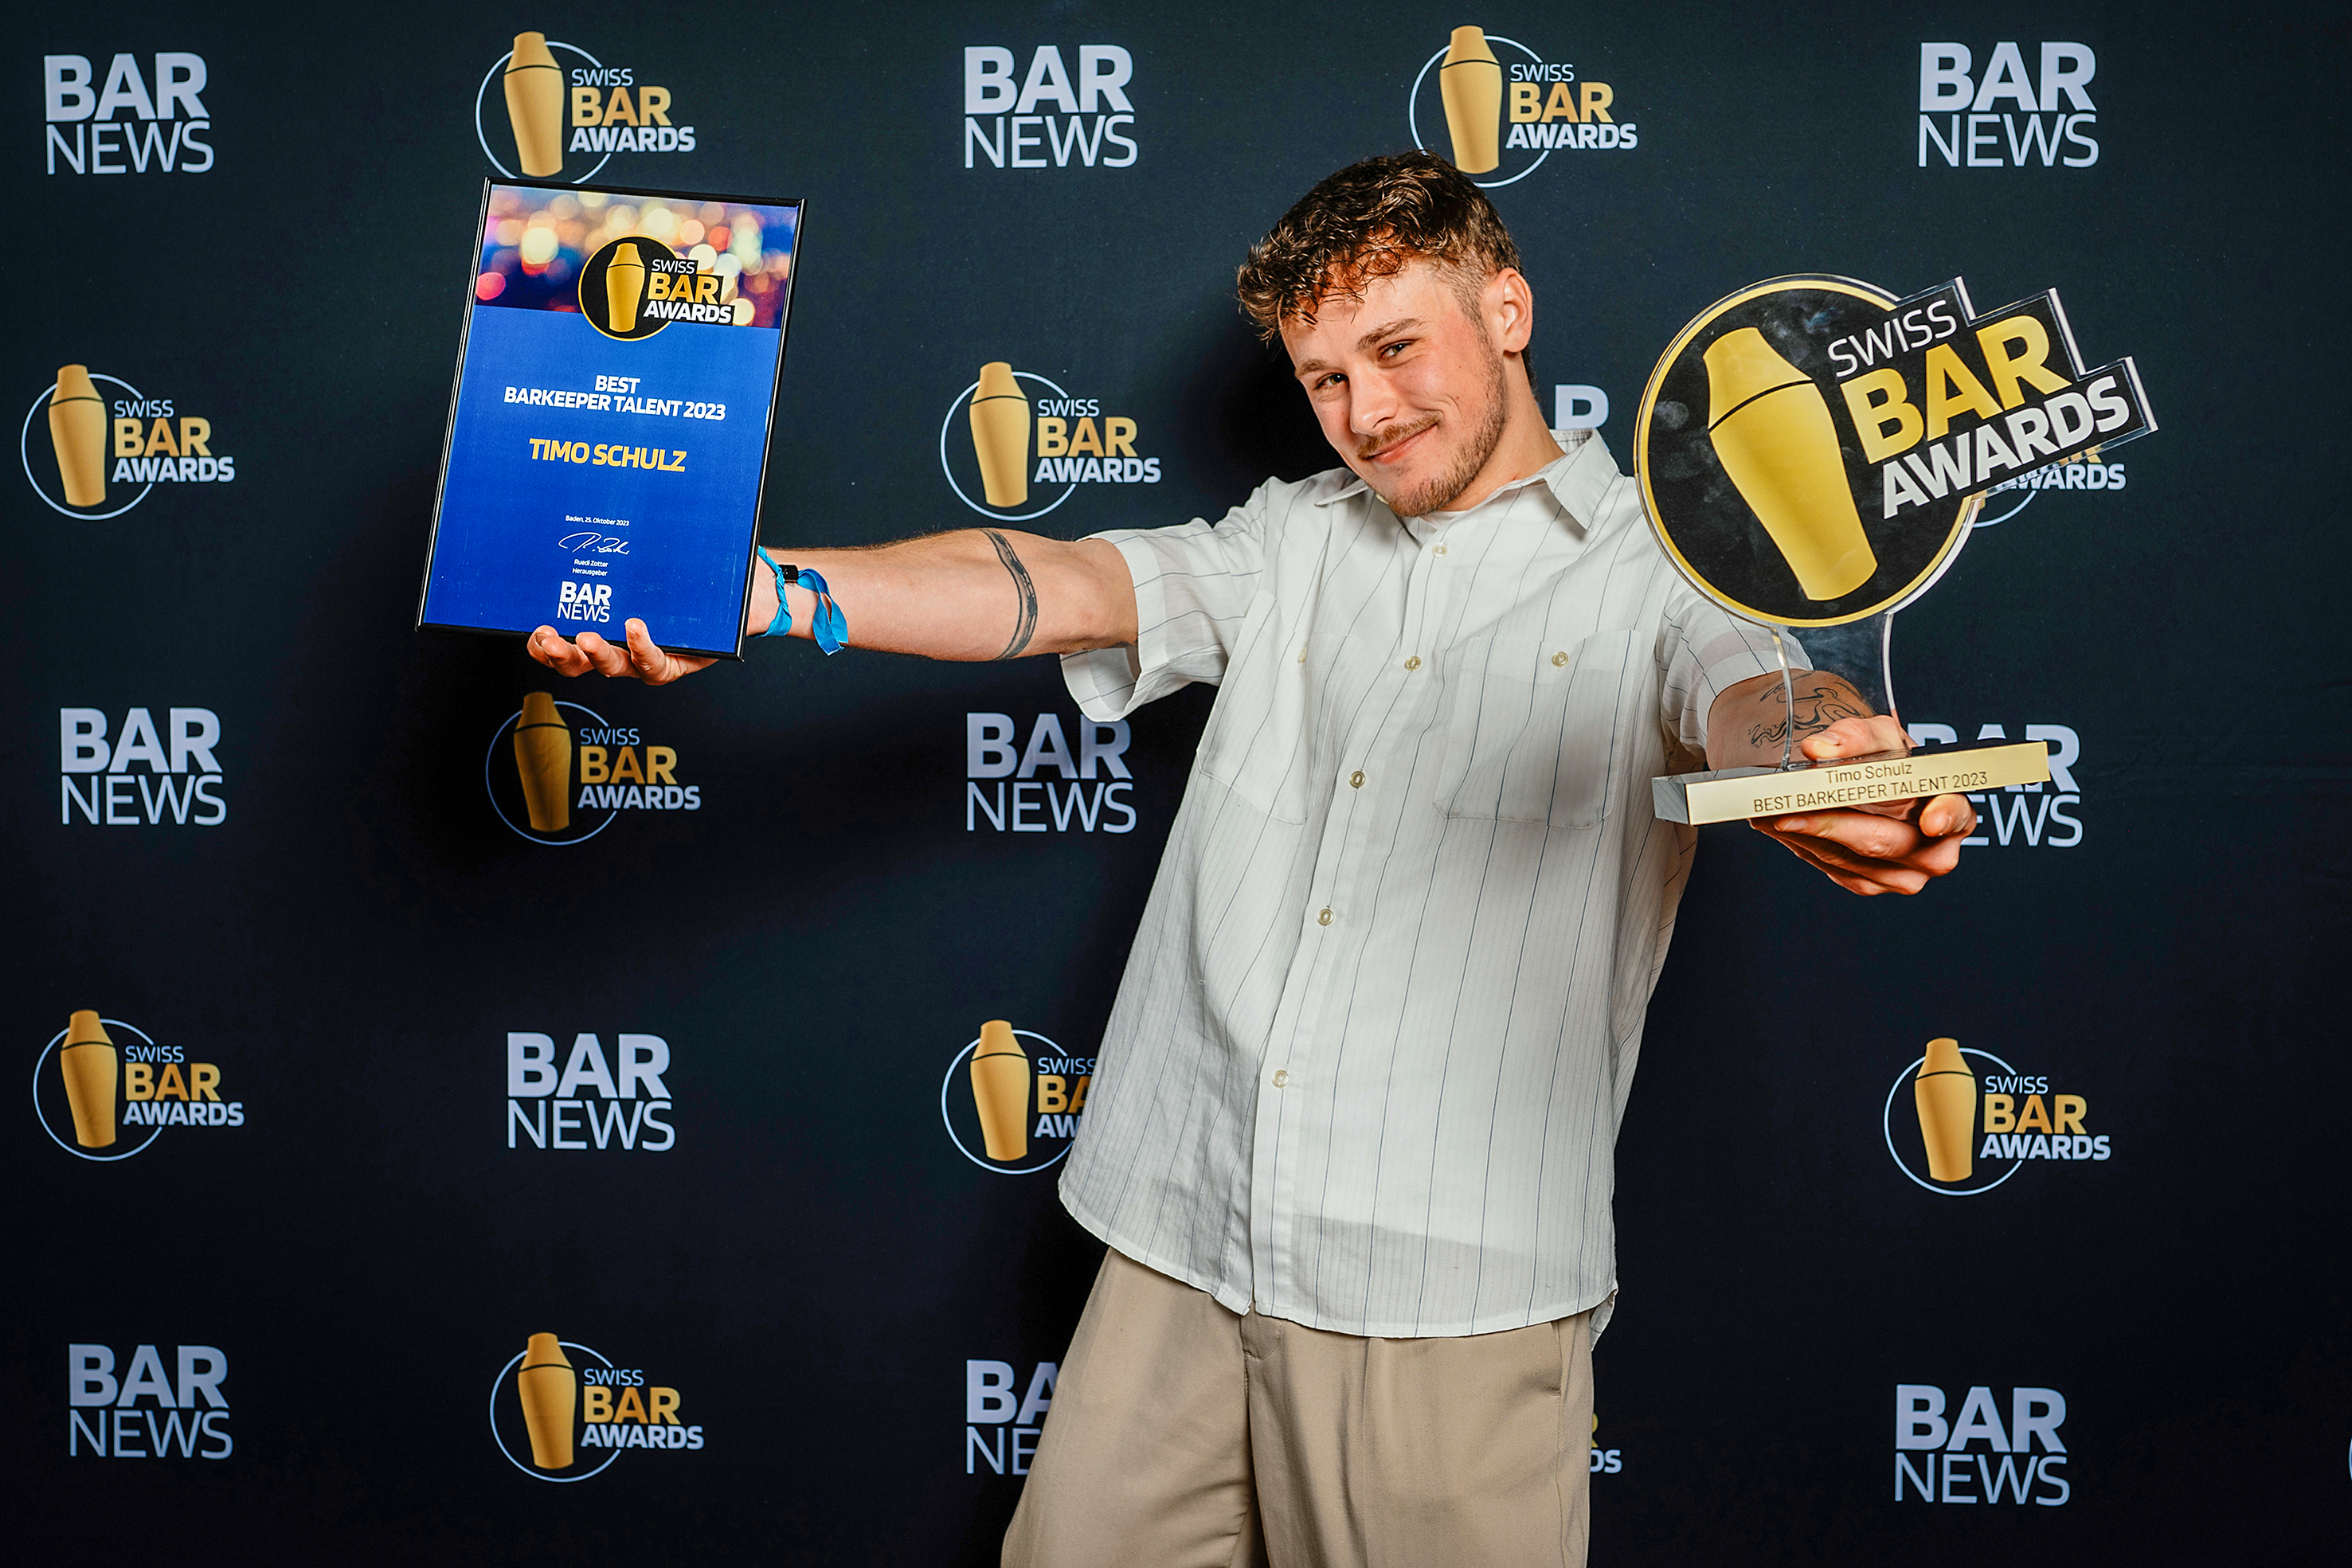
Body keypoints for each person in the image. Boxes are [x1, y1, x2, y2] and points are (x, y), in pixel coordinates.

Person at [527, 152, 1975, 1566]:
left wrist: (1817, 764)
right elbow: (1058, 584)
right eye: (1323, 378)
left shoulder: (1666, 565)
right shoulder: (1290, 537)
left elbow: (1754, 694)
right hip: (1178, 1239)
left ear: (1507, 308)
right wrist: (767, 590)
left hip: (1443, 1300)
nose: (1366, 413)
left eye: (1394, 349)